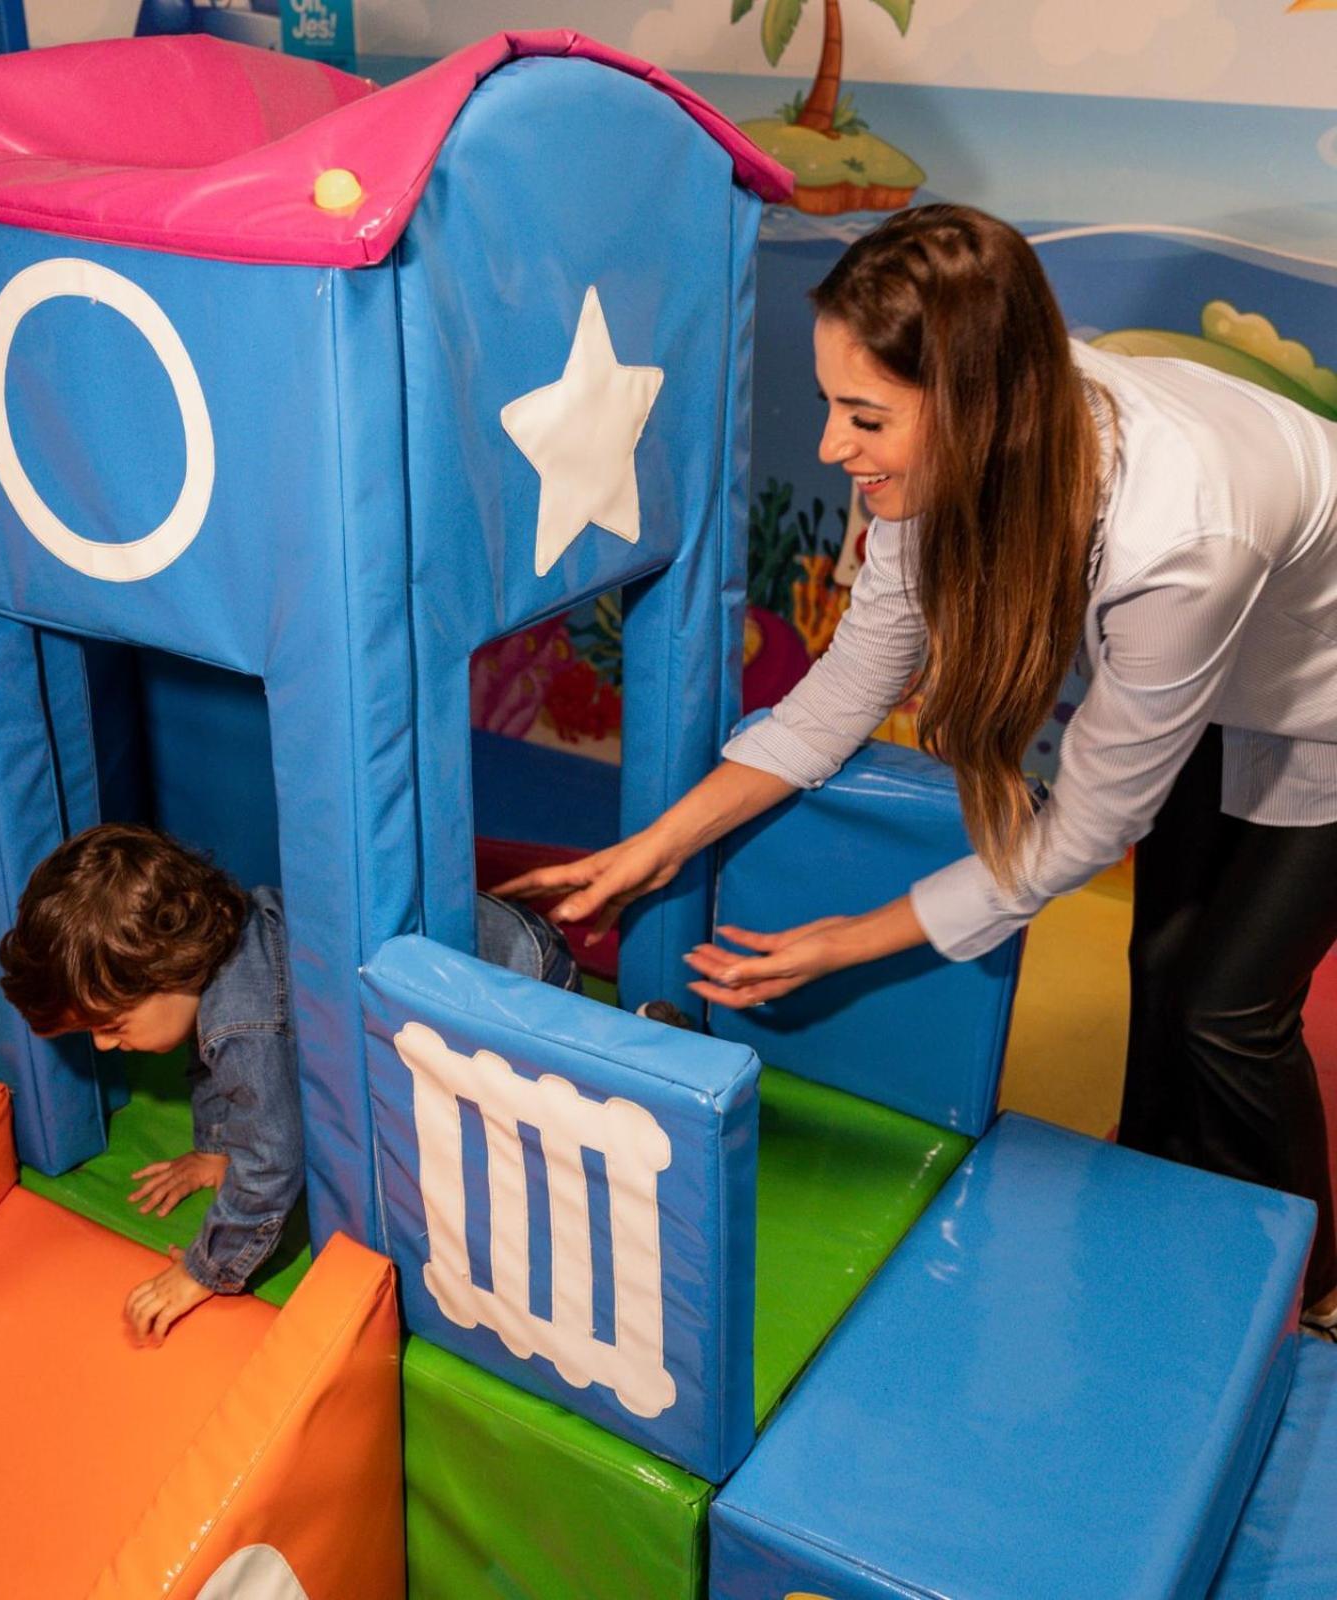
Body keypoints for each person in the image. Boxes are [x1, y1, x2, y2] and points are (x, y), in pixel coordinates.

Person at [499, 204, 1337, 1338]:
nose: (830, 447)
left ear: (977, 407)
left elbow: (1082, 831)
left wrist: (846, 938)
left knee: (1231, 1007)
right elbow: (844, 692)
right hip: (1229, 661)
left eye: (863, 415)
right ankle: (1157, 1177)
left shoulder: (1176, 542)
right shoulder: (951, 460)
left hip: (1319, 685)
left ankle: (1311, 1279)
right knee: (1162, 951)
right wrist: (657, 841)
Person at [0, 822, 578, 1343]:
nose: (102, 1044)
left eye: (110, 1025)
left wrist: (206, 1270)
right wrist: (215, 1148)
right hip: (492, 936)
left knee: (508, 1168)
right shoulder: (229, 937)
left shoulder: (242, 1024)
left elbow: (273, 1161)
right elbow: (215, 1065)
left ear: (168, 968)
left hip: (522, 988)